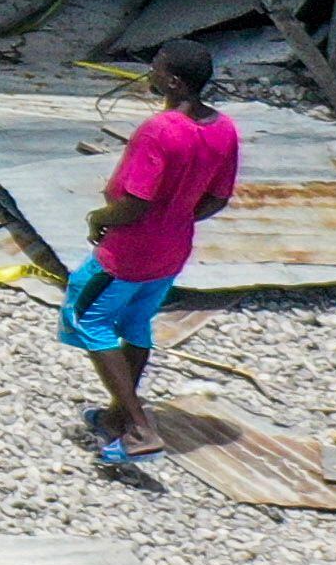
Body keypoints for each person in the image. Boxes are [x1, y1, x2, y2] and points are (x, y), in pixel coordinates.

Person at [66, 33, 244, 468]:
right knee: (136, 322)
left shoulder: (160, 131)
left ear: (176, 83)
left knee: (87, 318)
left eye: (158, 69)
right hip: (172, 250)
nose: (151, 73)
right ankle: (113, 417)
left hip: (127, 252)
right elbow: (219, 197)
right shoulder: (223, 129)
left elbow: (136, 202)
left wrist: (99, 218)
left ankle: (138, 424)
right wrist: (178, 218)